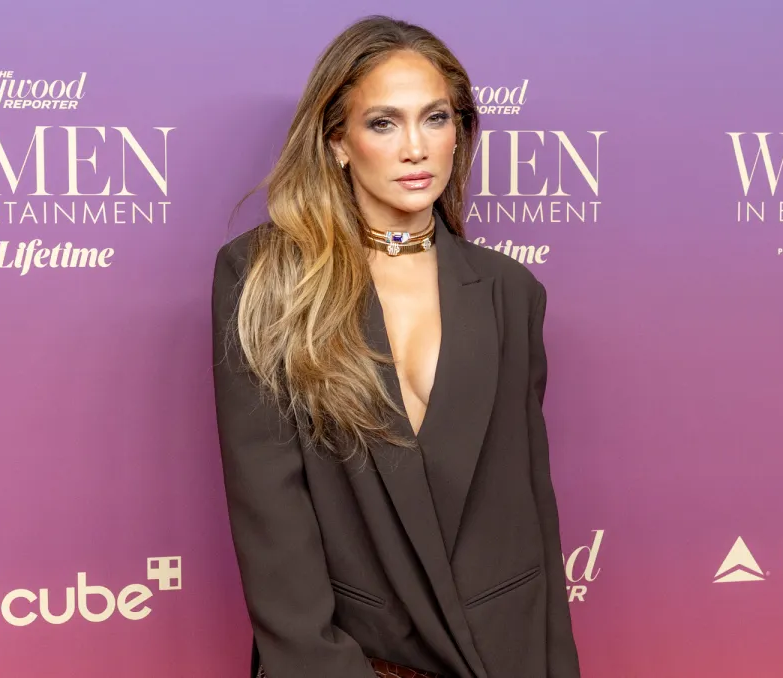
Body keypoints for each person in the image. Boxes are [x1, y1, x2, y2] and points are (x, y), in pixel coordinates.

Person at [211, 15, 581, 678]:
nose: (416, 148)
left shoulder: (509, 290)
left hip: (496, 654)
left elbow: (528, 512)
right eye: (384, 123)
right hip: (354, 663)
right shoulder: (265, 276)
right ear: (337, 142)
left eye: (435, 118)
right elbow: (271, 516)